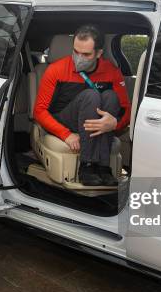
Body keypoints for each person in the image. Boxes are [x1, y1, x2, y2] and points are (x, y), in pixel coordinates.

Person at [33, 24, 130, 186]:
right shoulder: (55, 70)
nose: (79, 58)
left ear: (99, 53)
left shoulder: (111, 71)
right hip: (65, 118)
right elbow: (39, 111)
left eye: (86, 54)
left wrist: (114, 124)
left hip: (94, 123)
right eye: (75, 52)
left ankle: (103, 167)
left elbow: (126, 109)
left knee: (110, 97)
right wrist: (66, 134)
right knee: (91, 96)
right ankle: (87, 165)